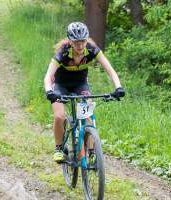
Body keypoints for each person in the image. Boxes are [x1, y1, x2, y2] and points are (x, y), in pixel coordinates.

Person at [44, 22, 125, 163]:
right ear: (70, 41)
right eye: (76, 42)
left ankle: (92, 152)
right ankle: (58, 149)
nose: (80, 45)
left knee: (88, 117)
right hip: (60, 85)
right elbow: (48, 75)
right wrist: (49, 91)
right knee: (59, 116)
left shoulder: (92, 49)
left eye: (83, 41)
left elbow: (110, 70)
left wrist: (118, 87)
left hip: (80, 85)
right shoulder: (63, 52)